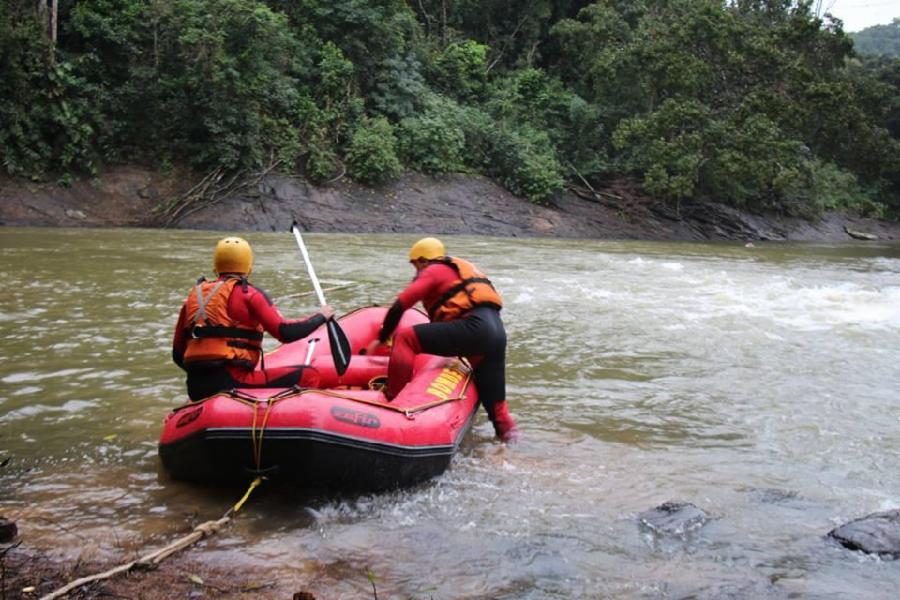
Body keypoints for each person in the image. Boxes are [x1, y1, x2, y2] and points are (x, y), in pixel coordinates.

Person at [366, 237, 519, 442]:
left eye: (415, 265)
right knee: (498, 410)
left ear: (422, 260)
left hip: (473, 329)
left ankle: (394, 400)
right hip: (496, 335)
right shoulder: (458, 269)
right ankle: (513, 447)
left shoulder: (433, 270)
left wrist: (381, 338)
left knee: (405, 338)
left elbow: (400, 306)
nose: (416, 271)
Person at [173, 236, 334, 401]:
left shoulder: (192, 299)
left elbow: (178, 354)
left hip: (195, 386)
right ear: (248, 267)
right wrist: (321, 316)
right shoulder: (248, 294)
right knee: (309, 374)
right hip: (232, 381)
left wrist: (206, 373)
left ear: (216, 266)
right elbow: (285, 332)